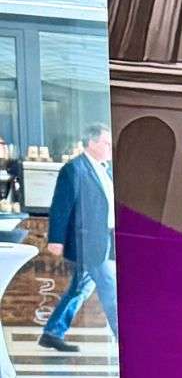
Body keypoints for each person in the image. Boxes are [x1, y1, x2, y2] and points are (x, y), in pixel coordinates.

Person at [39, 123, 117, 351]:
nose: (110, 147)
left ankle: (52, 333)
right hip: (88, 241)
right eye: (106, 143)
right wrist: (56, 239)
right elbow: (61, 206)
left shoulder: (105, 169)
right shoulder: (74, 169)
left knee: (80, 287)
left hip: (106, 238)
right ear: (91, 143)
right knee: (110, 287)